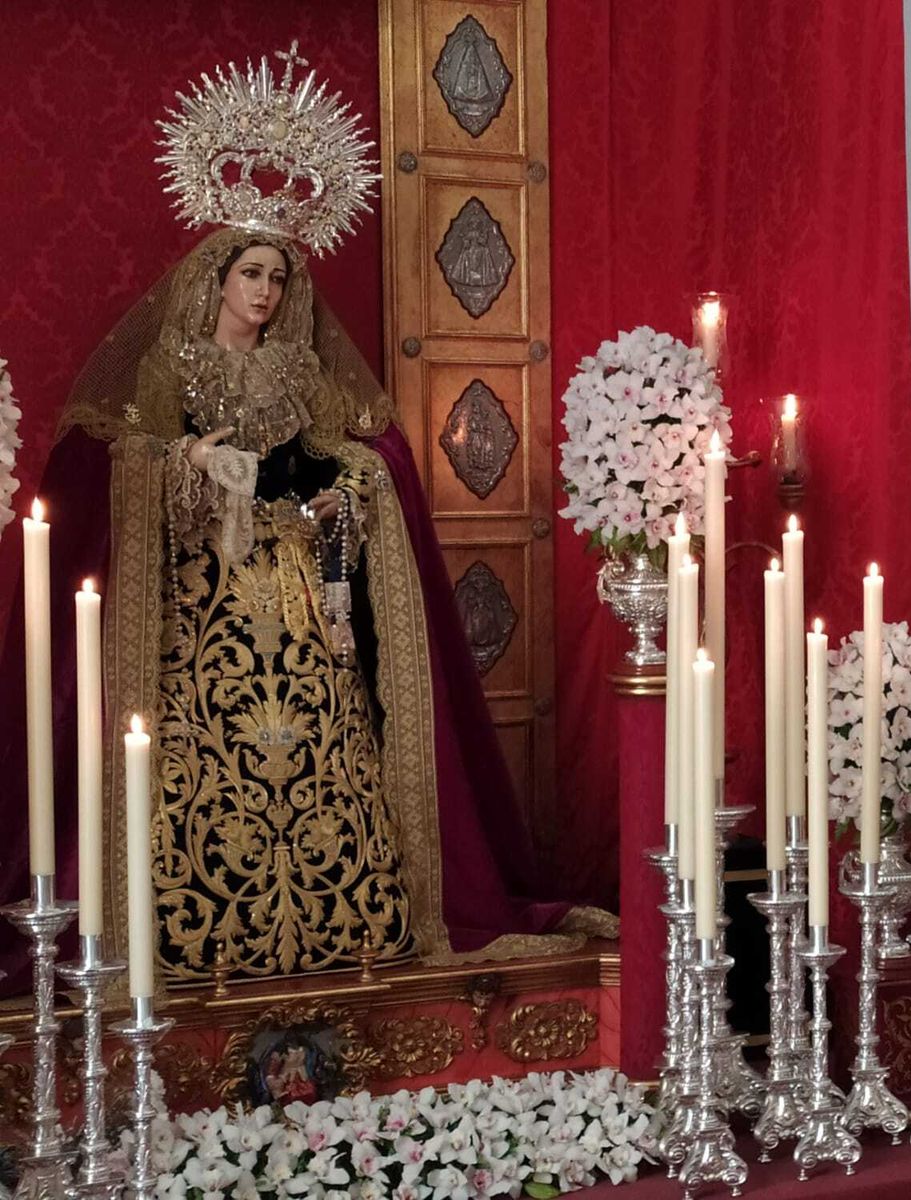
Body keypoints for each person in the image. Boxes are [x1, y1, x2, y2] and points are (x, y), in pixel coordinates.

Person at [0, 49, 591, 995]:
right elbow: (123, 455)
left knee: (326, 753)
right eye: (251, 273)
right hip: (205, 603)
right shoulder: (170, 366)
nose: (266, 292)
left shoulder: (306, 373)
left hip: (294, 587)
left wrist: (343, 487)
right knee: (202, 763)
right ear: (218, 277)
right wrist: (188, 462)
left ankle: (331, 919)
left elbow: (344, 457)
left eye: (278, 275)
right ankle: (199, 924)